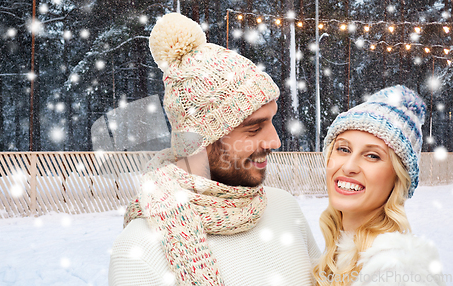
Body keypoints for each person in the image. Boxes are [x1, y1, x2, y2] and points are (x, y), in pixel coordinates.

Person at [109, 13, 320, 286]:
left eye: (272, 121)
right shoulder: (140, 252)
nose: (274, 141)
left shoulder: (285, 209)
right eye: (254, 128)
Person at [313, 85, 446, 286]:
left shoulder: (398, 272)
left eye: (372, 156)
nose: (349, 166)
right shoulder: (337, 254)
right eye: (343, 149)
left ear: (398, 178)